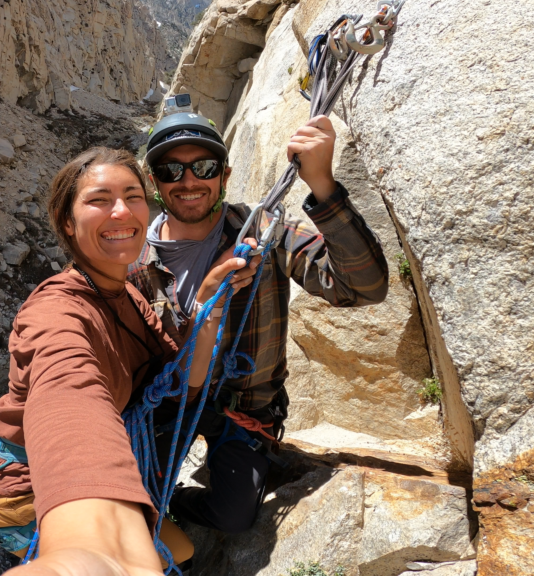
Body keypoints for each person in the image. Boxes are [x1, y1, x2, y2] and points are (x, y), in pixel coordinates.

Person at [0, 147, 260, 576]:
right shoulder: (56, 310)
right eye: (99, 200)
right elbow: (68, 389)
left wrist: (211, 300)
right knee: (173, 556)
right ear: (67, 221)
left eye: (133, 196)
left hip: (65, 466)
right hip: (25, 483)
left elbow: (183, 380)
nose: (121, 212)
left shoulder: (129, 292)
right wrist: (94, 549)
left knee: (183, 552)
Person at [128, 112, 389, 534]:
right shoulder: (135, 261)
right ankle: (158, 501)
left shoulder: (264, 235)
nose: (188, 180)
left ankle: (177, 503)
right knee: (135, 499)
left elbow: (362, 287)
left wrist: (322, 185)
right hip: (170, 406)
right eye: (171, 169)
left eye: (205, 168)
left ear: (225, 175)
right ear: (155, 181)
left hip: (242, 410)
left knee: (231, 516)